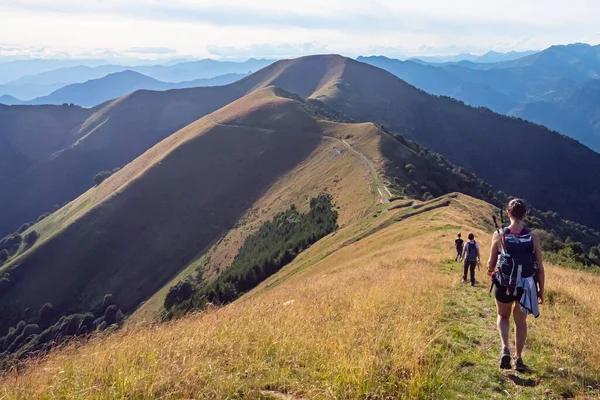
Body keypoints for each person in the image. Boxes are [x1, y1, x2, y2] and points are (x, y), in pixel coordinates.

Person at [487, 199, 545, 372]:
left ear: (508, 213)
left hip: (503, 284)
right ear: (526, 214)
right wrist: (541, 290)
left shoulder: (499, 234)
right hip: (526, 287)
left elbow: (491, 262)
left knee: (503, 316)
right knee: (520, 323)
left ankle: (505, 348)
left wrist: (490, 271)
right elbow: (539, 267)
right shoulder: (532, 237)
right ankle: (518, 358)